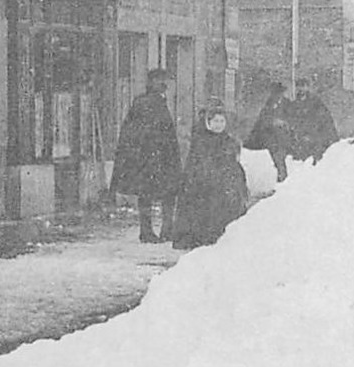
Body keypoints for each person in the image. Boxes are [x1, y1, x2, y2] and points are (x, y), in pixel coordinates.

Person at [110, 68, 183, 243]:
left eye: (163, 81)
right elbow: (137, 131)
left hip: (158, 157)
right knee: (153, 193)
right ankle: (151, 231)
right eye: (158, 81)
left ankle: (162, 230)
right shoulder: (147, 102)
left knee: (159, 193)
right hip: (151, 157)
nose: (162, 84)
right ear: (151, 83)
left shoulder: (154, 101)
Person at [170, 100, 248, 250]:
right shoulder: (201, 140)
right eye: (215, 121)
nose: (219, 125)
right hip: (204, 184)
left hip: (224, 183)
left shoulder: (229, 140)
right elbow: (197, 164)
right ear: (209, 123)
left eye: (221, 121)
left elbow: (233, 162)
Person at [283, 76, 338, 164]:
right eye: (298, 86)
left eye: (303, 86)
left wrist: (311, 134)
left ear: (308, 87)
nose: (300, 89)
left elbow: (323, 121)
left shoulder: (316, 103)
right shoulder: (294, 105)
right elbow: (291, 120)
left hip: (314, 138)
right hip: (300, 140)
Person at [244, 82, 291, 182]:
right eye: (275, 93)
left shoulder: (287, 104)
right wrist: (272, 122)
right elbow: (263, 119)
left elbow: (293, 119)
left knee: (280, 156)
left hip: (283, 136)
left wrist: (284, 122)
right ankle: (279, 176)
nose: (277, 95)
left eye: (279, 93)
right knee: (274, 156)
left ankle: (283, 176)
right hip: (271, 136)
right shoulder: (269, 104)